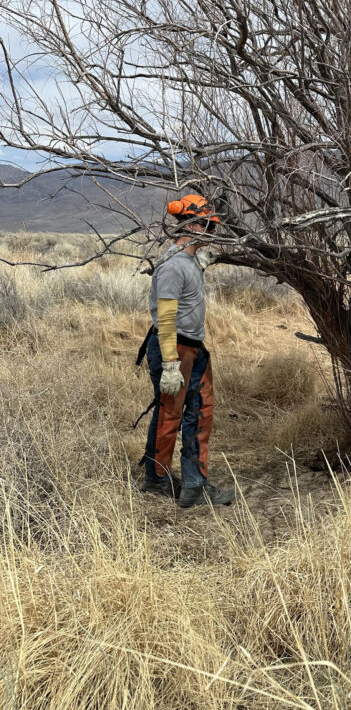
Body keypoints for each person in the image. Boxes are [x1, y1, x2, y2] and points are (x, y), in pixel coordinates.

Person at [137, 194, 234, 507]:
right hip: (174, 349)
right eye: (208, 226)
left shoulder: (187, 259)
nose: (212, 233)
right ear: (193, 225)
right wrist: (169, 365)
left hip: (191, 349)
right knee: (170, 416)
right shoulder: (173, 266)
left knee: (198, 411)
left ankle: (193, 484)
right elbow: (165, 319)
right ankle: (158, 480)